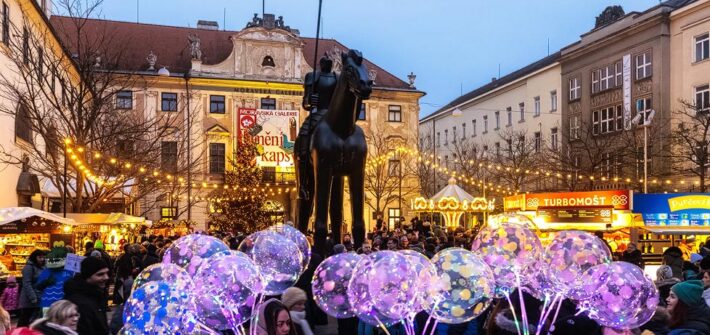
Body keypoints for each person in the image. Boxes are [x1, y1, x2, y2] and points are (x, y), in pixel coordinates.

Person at [63, 257, 110, 335]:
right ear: (87, 276)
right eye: (100, 274)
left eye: (106, 273)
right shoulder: (80, 303)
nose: (106, 277)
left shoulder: (96, 294)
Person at [36, 246, 73, 314]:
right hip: (48, 304)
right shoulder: (47, 272)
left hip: (64, 305)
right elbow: (38, 287)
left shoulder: (69, 271)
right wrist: (46, 282)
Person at [18, 250, 47, 326]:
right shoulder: (28, 267)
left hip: (39, 297)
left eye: (44, 257)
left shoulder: (43, 267)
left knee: (34, 320)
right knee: (25, 318)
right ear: (34, 257)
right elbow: (27, 284)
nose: (42, 259)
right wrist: (33, 297)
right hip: (30, 299)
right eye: (40, 257)